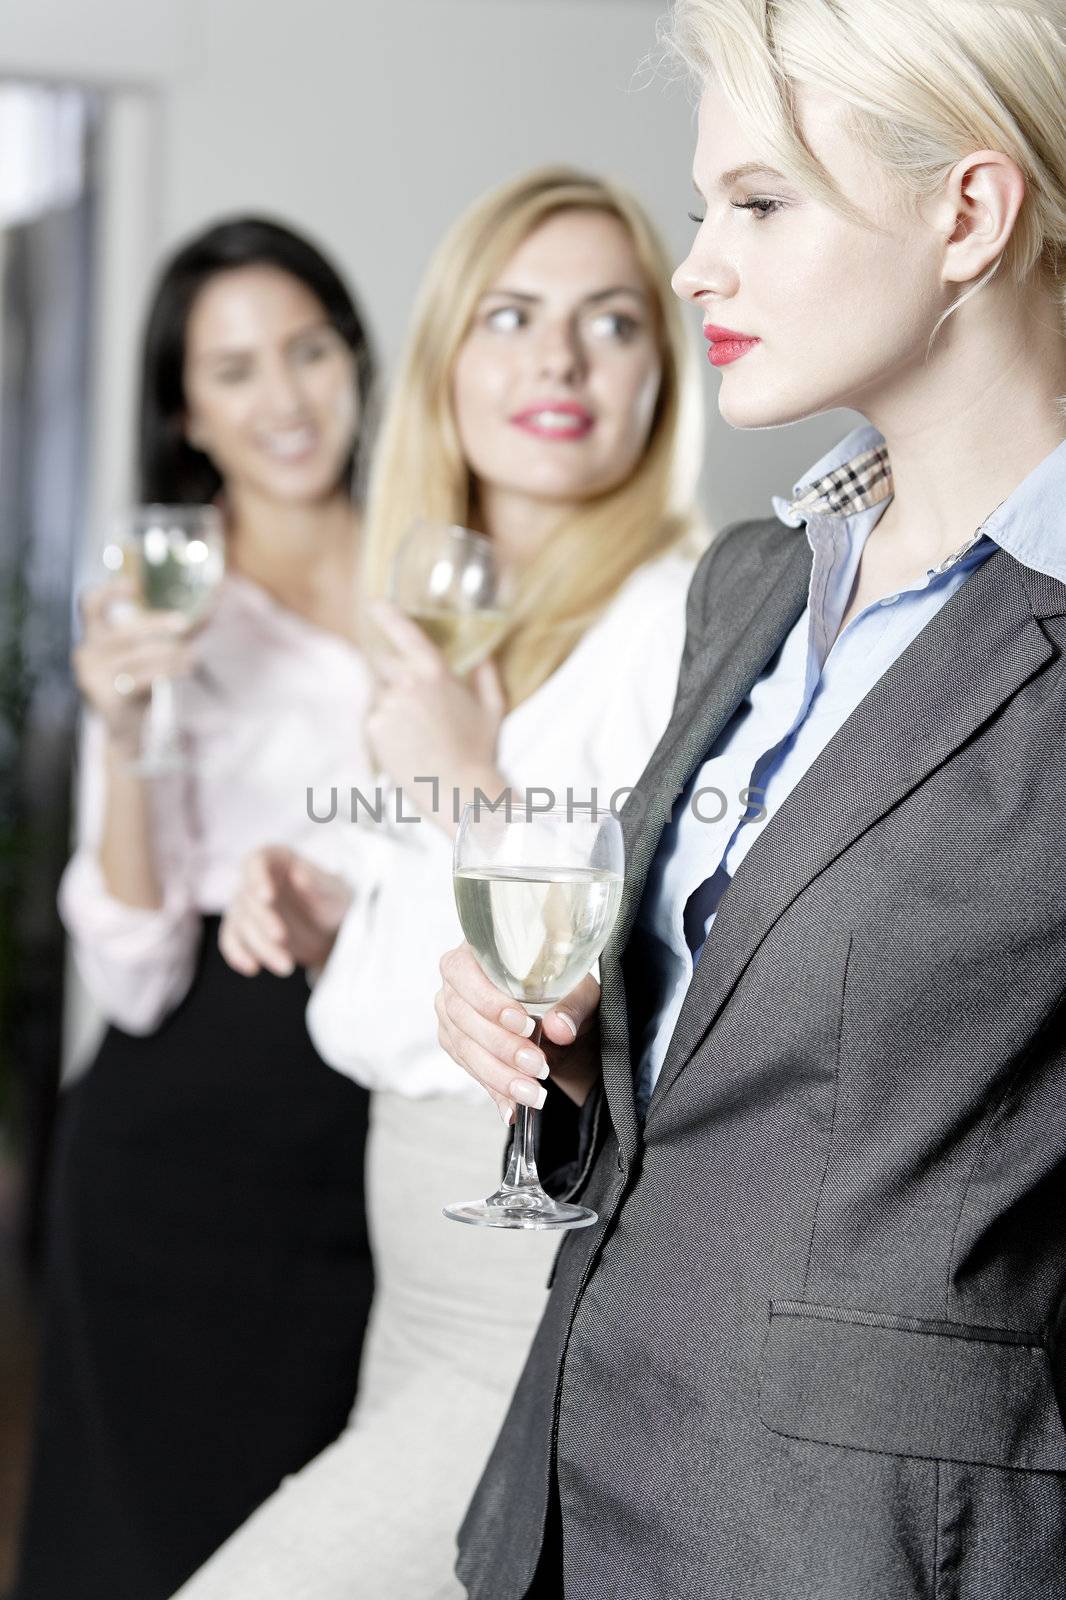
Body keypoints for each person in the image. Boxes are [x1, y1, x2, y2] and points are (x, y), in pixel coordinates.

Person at [436, 3, 1066, 1596]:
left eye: (758, 203)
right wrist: (572, 1061)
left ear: (968, 214)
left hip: (857, 1552)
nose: (695, 264)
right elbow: (739, 1078)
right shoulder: (750, 589)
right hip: (572, 1504)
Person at [170, 166, 705, 1599]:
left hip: (519, 1278)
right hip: (401, 1272)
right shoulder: (461, 619)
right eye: (513, 314)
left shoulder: (687, 614)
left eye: (611, 323)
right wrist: (335, 894)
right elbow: (454, 902)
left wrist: (471, 785)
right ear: (447, 357)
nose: (557, 359)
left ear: (663, 366)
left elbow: (640, 984)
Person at [15, 218, 379, 1600]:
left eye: (305, 350)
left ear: (353, 357)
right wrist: (119, 721)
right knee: (142, 1548)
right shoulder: (161, 605)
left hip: (386, 1108)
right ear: (185, 409)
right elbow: (133, 970)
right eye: (232, 371)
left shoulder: (451, 567)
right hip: (183, 1139)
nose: (282, 400)